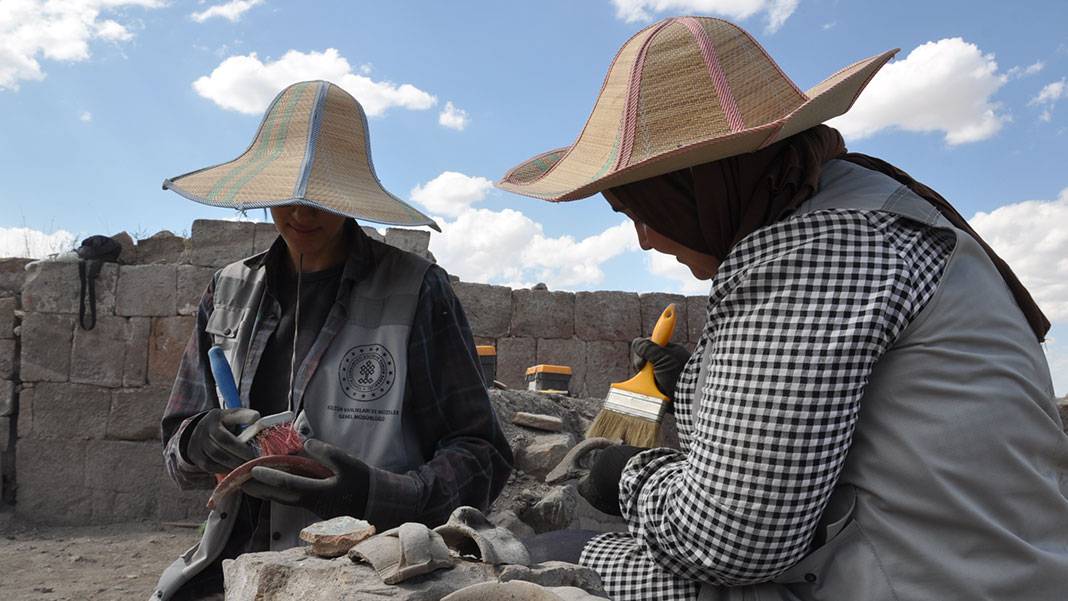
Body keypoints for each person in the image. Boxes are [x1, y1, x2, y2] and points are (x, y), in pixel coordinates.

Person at [498, 17, 1068, 601]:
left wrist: (628, 476)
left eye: (646, 211)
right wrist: (699, 376)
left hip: (920, 578)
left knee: (544, 564)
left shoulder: (822, 248)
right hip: (984, 565)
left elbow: (727, 540)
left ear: (701, 187)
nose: (645, 238)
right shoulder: (859, 208)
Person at [151, 80, 513, 600]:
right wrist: (197, 439)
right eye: (288, 195)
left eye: (320, 195)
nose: (300, 213)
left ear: (350, 196)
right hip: (234, 566)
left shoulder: (415, 291)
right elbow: (175, 437)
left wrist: (376, 494)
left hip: (369, 572)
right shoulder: (228, 289)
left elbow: (482, 454)